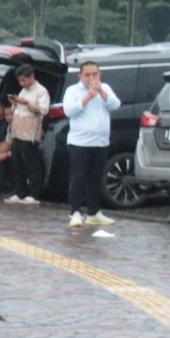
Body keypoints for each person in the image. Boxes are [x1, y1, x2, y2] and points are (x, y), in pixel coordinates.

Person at [60, 60, 120, 234]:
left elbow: (115, 105)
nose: (91, 78)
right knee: (78, 176)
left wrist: (101, 91)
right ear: (80, 76)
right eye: (87, 75)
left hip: (100, 141)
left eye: (95, 74)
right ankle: (75, 211)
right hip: (80, 142)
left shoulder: (105, 88)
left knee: (96, 177)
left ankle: (94, 211)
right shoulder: (73, 91)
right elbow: (69, 111)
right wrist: (88, 97)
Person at [2, 64, 50, 204]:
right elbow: (18, 107)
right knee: (17, 163)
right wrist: (15, 103)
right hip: (18, 131)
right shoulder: (23, 91)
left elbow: (43, 109)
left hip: (30, 133)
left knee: (31, 163)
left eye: (23, 80)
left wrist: (27, 103)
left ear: (31, 77)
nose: (21, 83)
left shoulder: (41, 91)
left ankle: (35, 193)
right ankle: (19, 191)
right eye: (19, 81)